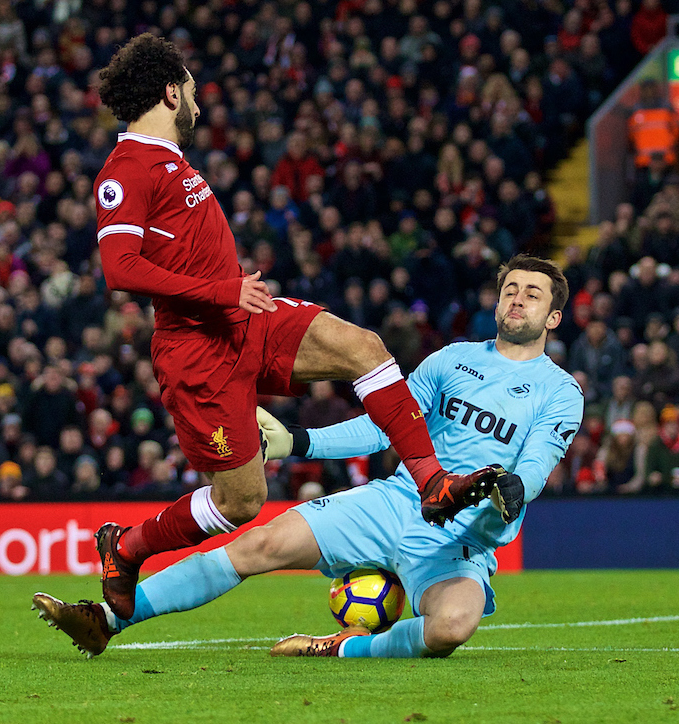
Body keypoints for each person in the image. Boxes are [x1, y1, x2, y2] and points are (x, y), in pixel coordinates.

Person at [89, 33, 499, 622]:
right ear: (171, 94)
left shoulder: (172, 163)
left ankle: (432, 481)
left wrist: (232, 295)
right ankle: (127, 548)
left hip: (247, 319)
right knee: (241, 502)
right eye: (194, 92)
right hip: (197, 349)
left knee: (364, 348)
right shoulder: (127, 169)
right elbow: (119, 268)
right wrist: (221, 290)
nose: (200, 105)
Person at [32, 254, 583, 660]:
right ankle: (104, 618)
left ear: (552, 318)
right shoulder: (452, 360)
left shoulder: (560, 392)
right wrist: (301, 441)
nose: (517, 299)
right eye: (511, 288)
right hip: (394, 502)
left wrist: (513, 486)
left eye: (532, 294)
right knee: (257, 544)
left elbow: (535, 465)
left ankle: (345, 648)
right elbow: (387, 426)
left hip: (458, 538)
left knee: (450, 629)